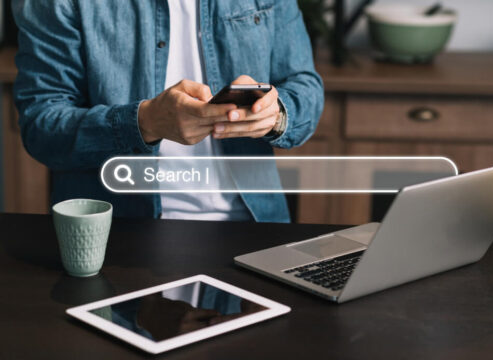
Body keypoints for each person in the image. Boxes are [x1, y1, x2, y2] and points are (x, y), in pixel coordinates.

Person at [12, 0, 324, 222]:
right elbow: (41, 125)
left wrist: (275, 113)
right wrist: (143, 122)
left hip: (255, 229)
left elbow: (305, 85)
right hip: (121, 239)